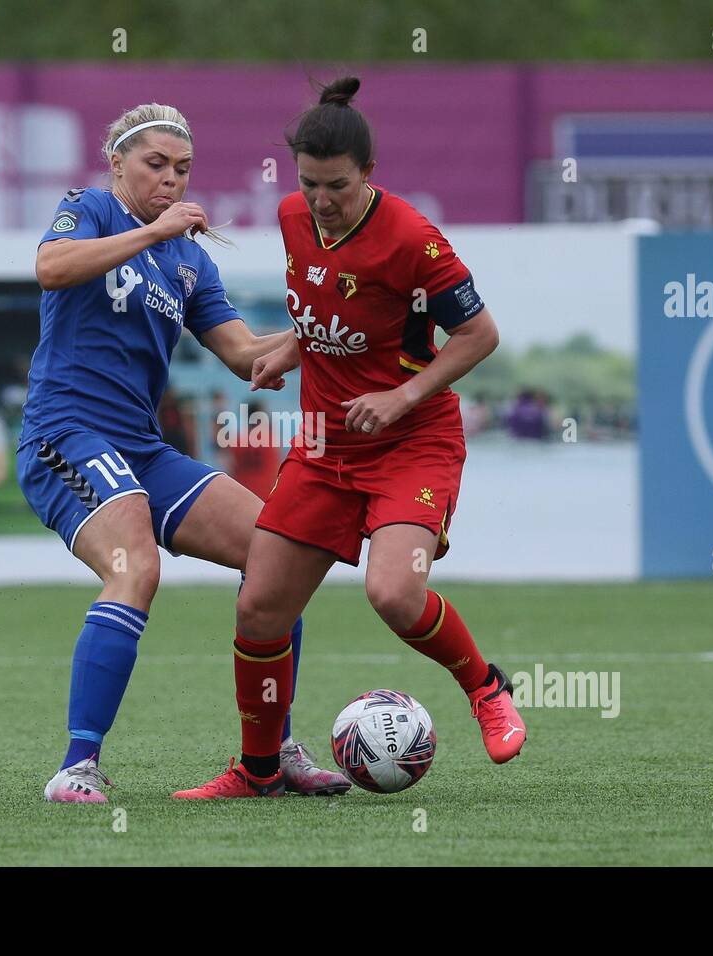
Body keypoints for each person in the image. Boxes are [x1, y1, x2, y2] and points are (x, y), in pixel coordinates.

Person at [174, 78, 526, 800]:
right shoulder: (291, 217)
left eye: (336, 185)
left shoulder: (414, 239)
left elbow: (479, 334)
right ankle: (261, 770)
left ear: (368, 173)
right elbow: (328, 307)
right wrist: (292, 347)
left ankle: (485, 686)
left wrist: (402, 395)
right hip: (326, 446)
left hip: (412, 441)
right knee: (260, 608)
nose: (321, 200)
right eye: (309, 183)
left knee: (394, 593)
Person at [19, 103, 350, 802]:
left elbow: (245, 358)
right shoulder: (89, 210)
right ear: (117, 163)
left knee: (276, 558)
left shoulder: (190, 260)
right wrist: (152, 233)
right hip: (66, 434)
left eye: (183, 169)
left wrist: (325, 327)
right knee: (134, 566)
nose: (171, 180)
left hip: (141, 447)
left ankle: (275, 749)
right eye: (155, 164)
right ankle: (76, 768)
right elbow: (50, 268)